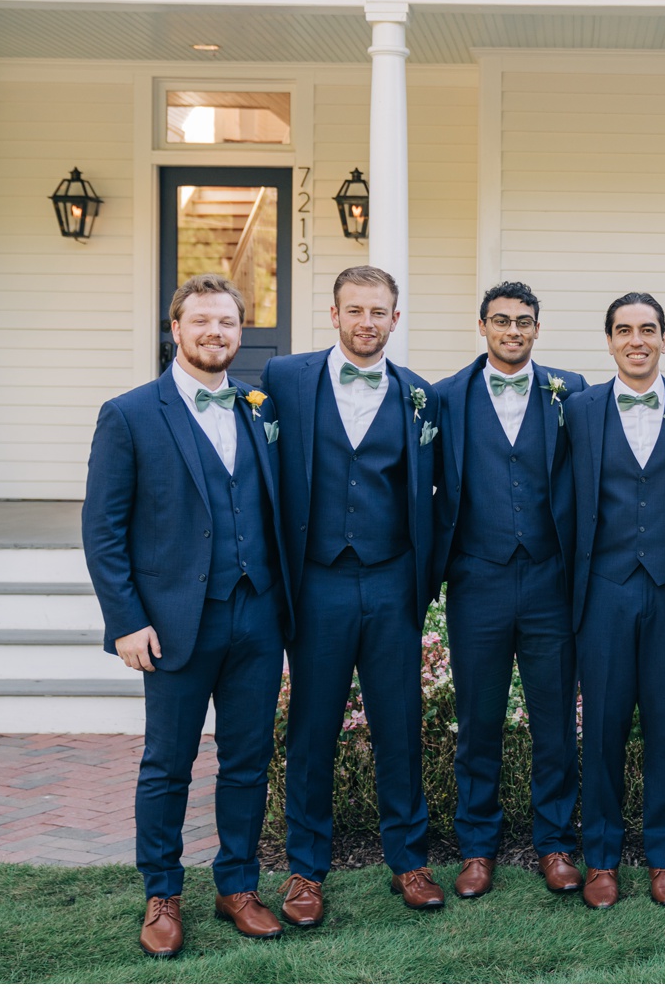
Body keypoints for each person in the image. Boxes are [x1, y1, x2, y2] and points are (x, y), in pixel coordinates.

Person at [85, 274, 292, 956]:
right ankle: (163, 894)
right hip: (173, 623)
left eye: (227, 323)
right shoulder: (130, 413)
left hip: (257, 616)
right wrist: (125, 620)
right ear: (175, 329)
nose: (214, 333)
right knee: (167, 762)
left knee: (248, 759)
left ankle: (237, 887)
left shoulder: (259, 408)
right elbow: (103, 528)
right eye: (200, 321)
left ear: (240, 332)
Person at [262, 265, 447, 926]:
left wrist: (423, 581)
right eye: (356, 310)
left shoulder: (421, 396)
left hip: (393, 578)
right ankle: (306, 870)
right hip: (317, 578)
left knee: (399, 724)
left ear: (396, 319)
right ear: (334, 315)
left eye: (380, 311)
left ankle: (409, 859)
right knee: (313, 728)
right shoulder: (284, 380)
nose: (368, 322)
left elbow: (440, 496)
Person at [434, 281, 586, 899]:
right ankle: (477, 847)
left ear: (537, 330)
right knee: (478, 721)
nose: (513, 331)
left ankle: (555, 843)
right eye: (502, 321)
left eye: (524, 322)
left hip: (552, 578)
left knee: (554, 720)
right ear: (482, 327)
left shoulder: (570, 392)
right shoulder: (444, 398)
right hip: (478, 578)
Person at [563, 293, 665, 909]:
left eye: (648, 329)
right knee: (601, 725)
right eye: (624, 330)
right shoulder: (579, 408)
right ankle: (600, 858)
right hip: (604, 589)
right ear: (610, 341)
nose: (636, 340)